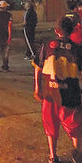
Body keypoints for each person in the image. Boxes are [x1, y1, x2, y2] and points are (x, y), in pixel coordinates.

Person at [33, 17, 82, 163]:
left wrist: (37, 88)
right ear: (72, 30)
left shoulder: (48, 46)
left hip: (50, 93)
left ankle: (53, 156)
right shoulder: (77, 49)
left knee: (50, 124)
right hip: (71, 95)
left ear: (56, 31)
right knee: (74, 125)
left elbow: (38, 67)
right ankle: (78, 153)